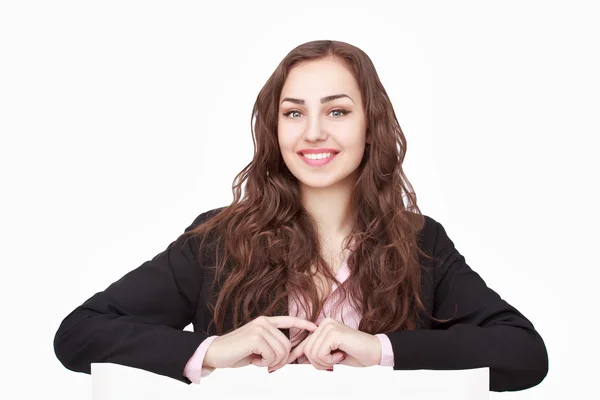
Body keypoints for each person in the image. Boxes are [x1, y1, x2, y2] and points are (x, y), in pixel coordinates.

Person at [53, 40, 549, 392]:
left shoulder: (420, 242)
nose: (313, 132)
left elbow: (524, 355)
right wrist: (212, 350)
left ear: (371, 127)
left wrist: (380, 350)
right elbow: (78, 335)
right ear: (276, 129)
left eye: (336, 111)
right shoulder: (218, 240)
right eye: (294, 113)